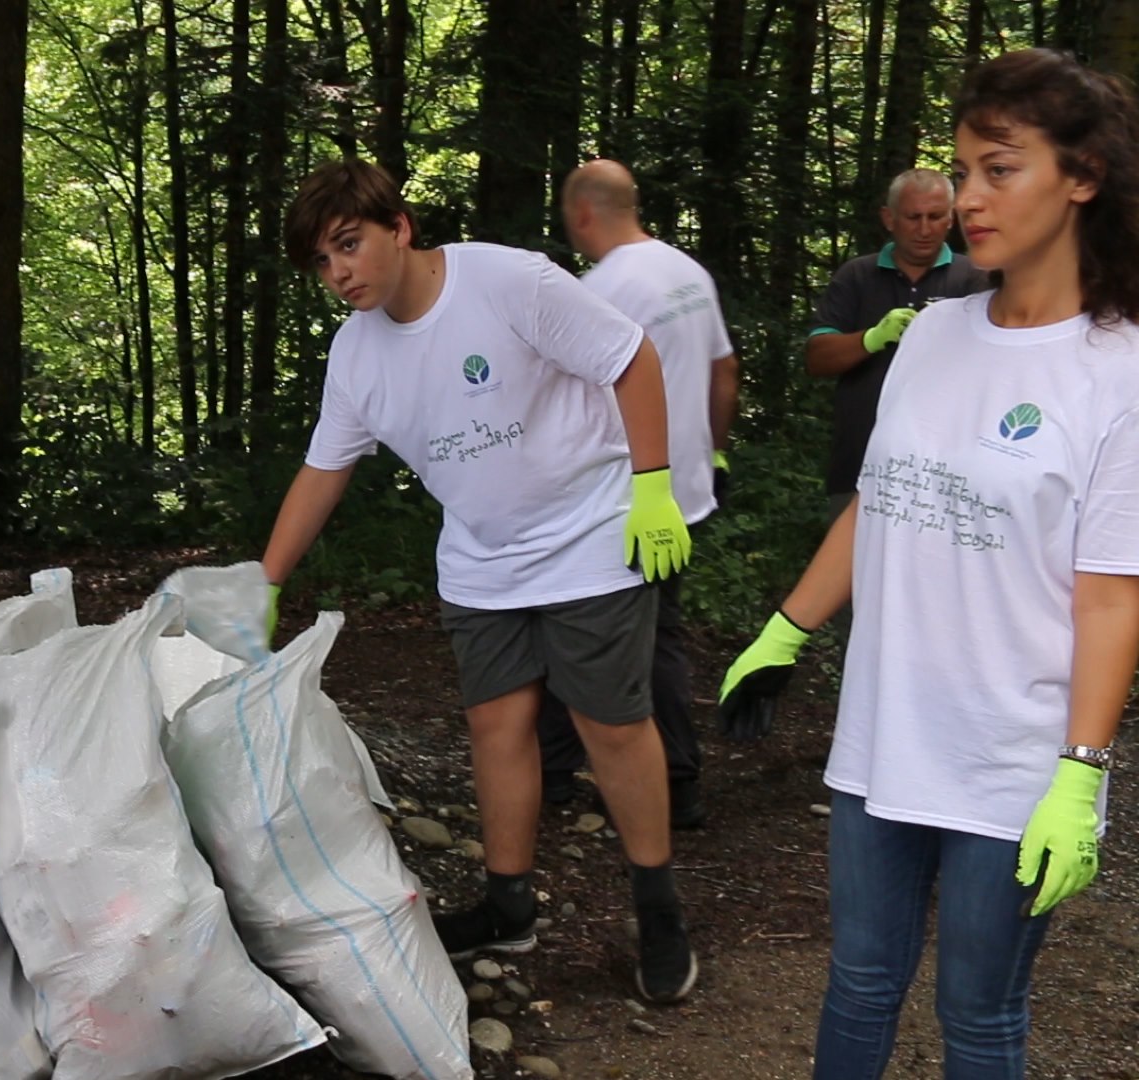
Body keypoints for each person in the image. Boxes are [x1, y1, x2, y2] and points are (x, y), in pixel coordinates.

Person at [719, 48, 1139, 1078]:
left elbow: (1110, 597)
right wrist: (784, 631)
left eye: (1000, 169)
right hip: (885, 733)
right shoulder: (935, 331)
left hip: (1014, 762)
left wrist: (1079, 775)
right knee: (859, 982)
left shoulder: (1120, 369)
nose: (967, 198)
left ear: (1083, 176)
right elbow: (882, 502)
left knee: (978, 1014)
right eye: (961, 171)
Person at [260, 158, 698, 1003]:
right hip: (481, 559)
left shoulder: (507, 282)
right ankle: (508, 904)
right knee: (497, 726)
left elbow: (631, 357)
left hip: (588, 535)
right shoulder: (356, 355)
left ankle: (658, 909)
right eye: (320, 260)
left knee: (610, 725)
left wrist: (653, 486)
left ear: (399, 228)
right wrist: (267, 579)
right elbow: (324, 469)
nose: (338, 272)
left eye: (348, 244)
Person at [535, 159, 740, 829]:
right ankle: (577, 768)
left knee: (594, 632)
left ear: (582, 214)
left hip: (623, 497)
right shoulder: (688, 272)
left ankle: (649, 781)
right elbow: (725, 371)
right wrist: (712, 453)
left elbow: (564, 399)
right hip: (685, 490)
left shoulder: (599, 291)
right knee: (649, 634)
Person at [808, 170, 991, 527]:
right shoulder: (856, 276)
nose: (924, 229)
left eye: (935, 217)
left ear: (951, 218)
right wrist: (871, 338)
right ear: (889, 218)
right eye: (912, 217)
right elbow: (817, 358)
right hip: (858, 465)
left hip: (950, 472)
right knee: (849, 562)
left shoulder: (975, 278)